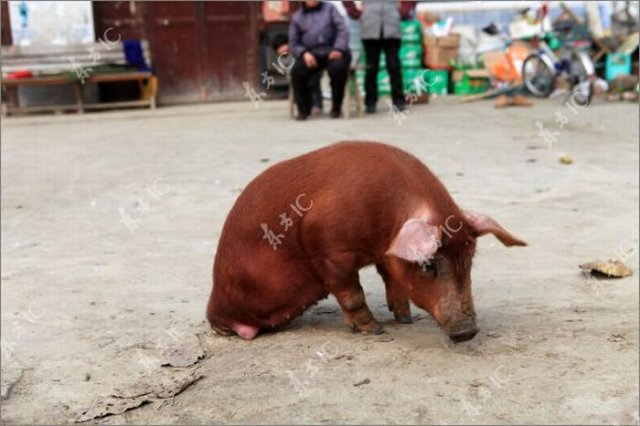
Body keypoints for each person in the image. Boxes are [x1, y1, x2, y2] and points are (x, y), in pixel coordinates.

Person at [344, 1, 416, 113]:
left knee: (394, 66)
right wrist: (354, 12)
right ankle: (370, 102)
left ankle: (399, 101)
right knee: (371, 68)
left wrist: (405, 11)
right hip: (370, 25)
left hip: (392, 25)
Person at [289, 0, 351, 120]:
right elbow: (293, 42)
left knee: (337, 69)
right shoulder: (297, 16)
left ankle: (336, 106)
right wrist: (304, 53)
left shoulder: (330, 9)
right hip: (311, 53)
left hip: (334, 50)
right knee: (298, 71)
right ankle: (304, 110)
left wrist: (338, 48)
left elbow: (342, 30)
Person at [271, 33, 324, 115]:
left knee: (313, 84)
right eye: (278, 49)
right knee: (298, 85)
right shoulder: (283, 58)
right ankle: (304, 106)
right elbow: (284, 69)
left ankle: (317, 105)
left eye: (282, 46)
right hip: (296, 78)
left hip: (311, 73)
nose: (281, 50)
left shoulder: (298, 50)